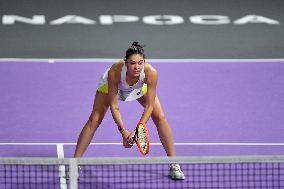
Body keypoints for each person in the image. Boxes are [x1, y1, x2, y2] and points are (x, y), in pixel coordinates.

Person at [74, 41, 185, 180]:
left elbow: (149, 106)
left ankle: (174, 164)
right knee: (95, 119)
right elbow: (114, 106)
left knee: (160, 117)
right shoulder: (114, 71)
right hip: (113, 87)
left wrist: (138, 130)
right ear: (126, 63)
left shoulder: (151, 73)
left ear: (144, 62)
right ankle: (74, 164)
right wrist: (123, 131)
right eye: (132, 63)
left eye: (140, 63)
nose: (137, 67)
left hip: (137, 88)